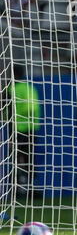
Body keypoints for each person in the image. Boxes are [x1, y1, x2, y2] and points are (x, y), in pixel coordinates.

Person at [8, 65, 41, 197]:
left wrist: (11, 134)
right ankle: (31, 187)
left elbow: (11, 113)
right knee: (29, 158)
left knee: (18, 159)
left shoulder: (13, 89)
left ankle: (20, 188)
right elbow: (34, 109)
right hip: (32, 129)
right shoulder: (31, 88)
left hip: (18, 130)